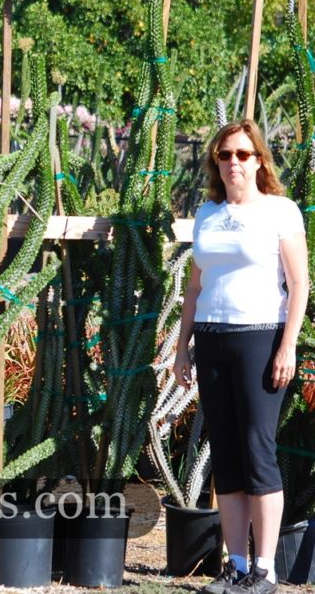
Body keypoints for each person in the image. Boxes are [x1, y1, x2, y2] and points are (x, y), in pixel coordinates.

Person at [173, 119, 309, 594]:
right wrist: (181, 346)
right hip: (211, 339)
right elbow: (195, 285)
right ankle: (234, 565)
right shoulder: (207, 214)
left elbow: (300, 284)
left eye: (243, 155)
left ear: (259, 161)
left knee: (258, 453)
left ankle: (265, 569)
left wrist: (287, 344)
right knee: (226, 457)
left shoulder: (280, 211)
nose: (233, 163)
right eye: (225, 155)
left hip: (260, 339)